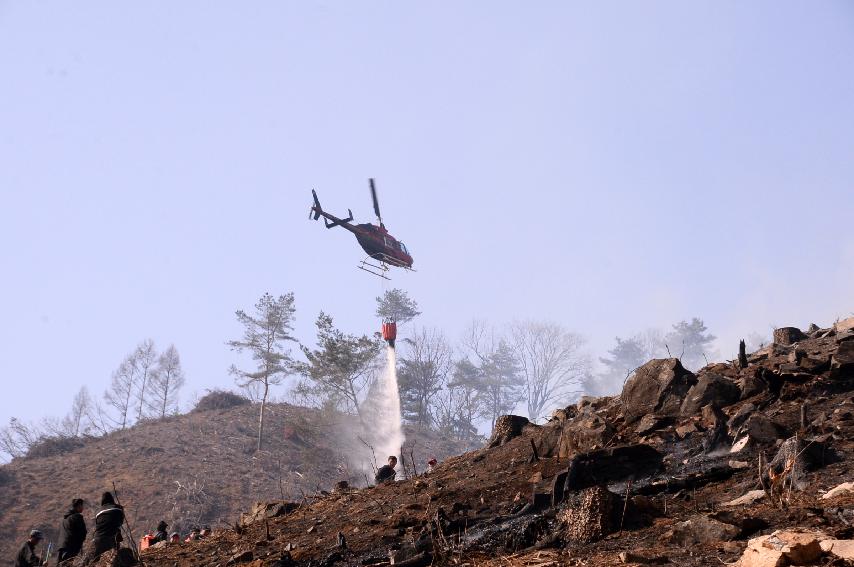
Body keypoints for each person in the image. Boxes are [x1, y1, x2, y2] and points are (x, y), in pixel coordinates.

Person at [91, 491, 125, 558]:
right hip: (111, 538)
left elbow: (97, 524)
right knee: (115, 558)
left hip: (97, 538)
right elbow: (120, 522)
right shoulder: (118, 508)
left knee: (94, 560)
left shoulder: (98, 511)